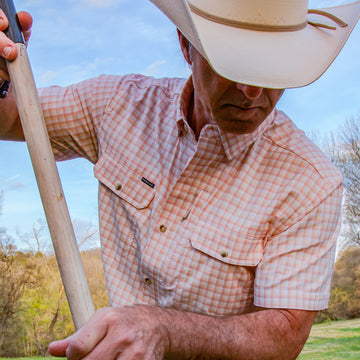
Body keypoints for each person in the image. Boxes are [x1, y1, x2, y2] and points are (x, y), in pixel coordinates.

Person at [1, 0, 360, 359]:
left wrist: (164, 330)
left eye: (273, 69)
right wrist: (2, 82)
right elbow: (16, 118)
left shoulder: (312, 183)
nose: (252, 91)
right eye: (233, 64)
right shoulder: (118, 105)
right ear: (186, 46)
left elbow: (284, 334)